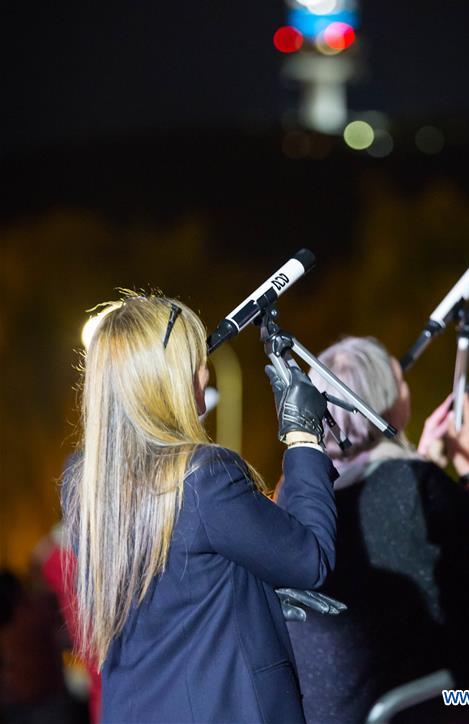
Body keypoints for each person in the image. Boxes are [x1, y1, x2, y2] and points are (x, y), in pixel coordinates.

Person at [61, 292, 338, 724]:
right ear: (169, 378)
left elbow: (176, 587)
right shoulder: (203, 476)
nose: (205, 372)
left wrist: (253, 591)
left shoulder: (84, 482)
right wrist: (303, 439)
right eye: (195, 361)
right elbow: (312, 559)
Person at [285, 336, 469, 724]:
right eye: (400, 381)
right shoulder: (412, 485)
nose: (407, 388)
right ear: (381, 404)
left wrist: (418, 463)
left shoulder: (301, 503)